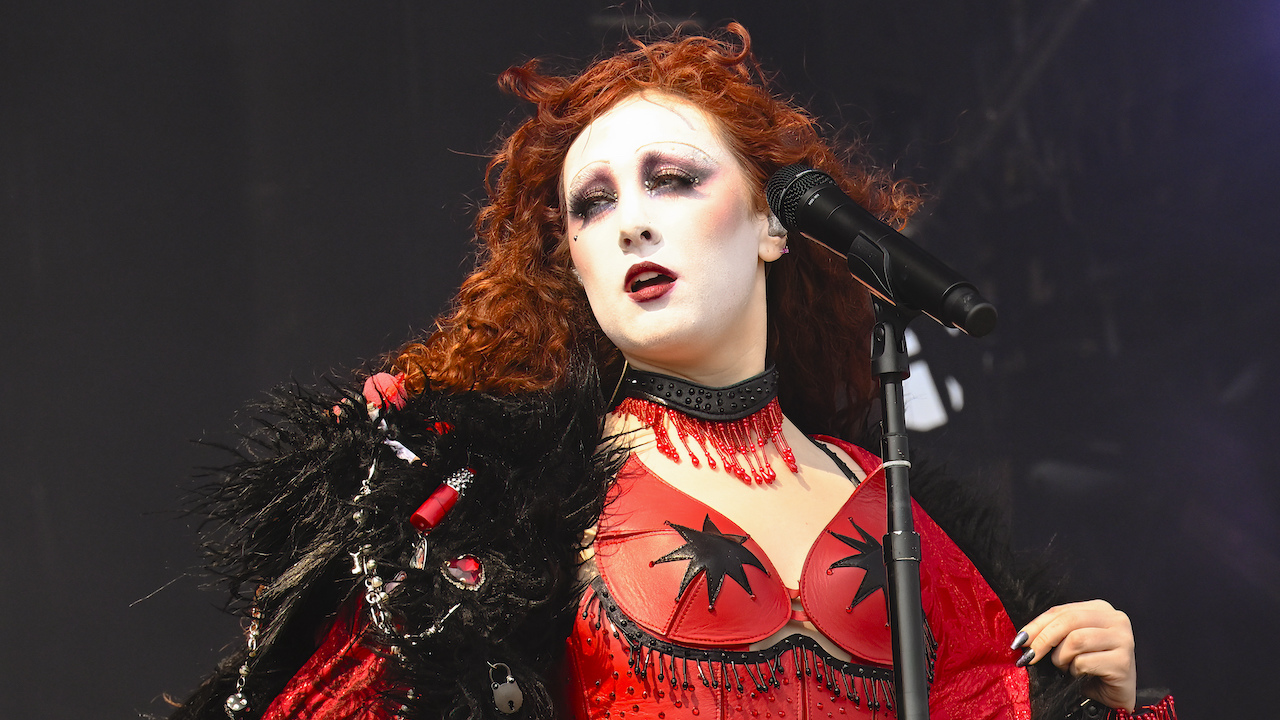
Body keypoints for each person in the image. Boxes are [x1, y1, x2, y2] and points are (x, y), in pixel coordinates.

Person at [172, 24, 1176, 720]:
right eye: (592, 205)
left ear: (775, 224)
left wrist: (1103, 703)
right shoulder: (497, 503)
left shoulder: (899, 506)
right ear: (569, 262)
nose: (633, 220)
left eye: (672, 179)